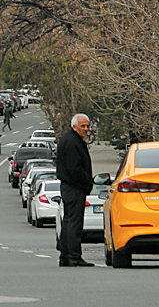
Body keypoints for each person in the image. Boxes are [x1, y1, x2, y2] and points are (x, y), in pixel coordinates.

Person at [55, 113, 94, 267]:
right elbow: (74, 169)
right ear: (74, 126)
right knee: (74, 223)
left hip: (70, 186)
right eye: (83, 126)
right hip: (74, 187)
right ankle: (73, 256)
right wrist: (87, 183)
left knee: (69, 221)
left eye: (87, 126)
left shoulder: (72, 139)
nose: (86, 129)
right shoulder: (72, 142)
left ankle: (66, 256)